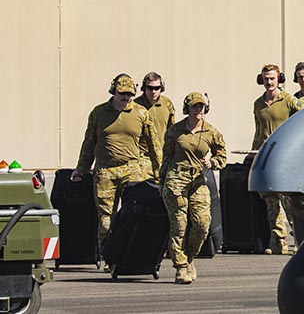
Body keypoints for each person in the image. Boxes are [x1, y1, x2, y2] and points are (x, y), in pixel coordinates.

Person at [70, 73, 162, 261]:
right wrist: (81, 168)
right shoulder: (99, 113)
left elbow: (155, 145)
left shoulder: (141, 113)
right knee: (106, 220)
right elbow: (89, 142)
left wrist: (160, 171)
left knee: (135, 214)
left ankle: (131, 255)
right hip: (106, 172)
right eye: (122, 94)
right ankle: (108, 256)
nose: (126, 98)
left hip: (132, 170)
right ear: (114, 92)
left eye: (129, 94)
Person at [161, 92, 226, 284]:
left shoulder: (211, 132)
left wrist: (212, 162)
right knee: (179, 226)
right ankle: (180, 267)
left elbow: (222, 156)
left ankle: (189, 258)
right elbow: (166, 157)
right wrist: (161, 181)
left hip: (198, 180)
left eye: (201, 106)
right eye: (194, 106)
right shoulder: (175, 131)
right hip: (176, 179)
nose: (199, 110)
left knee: (201, 224)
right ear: (187, 109)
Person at [253, 64, 304, 255]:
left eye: (272, 78)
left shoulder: (289, 100)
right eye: (266, 78)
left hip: (284, 157)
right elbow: (258, 131)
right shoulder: (258, 104)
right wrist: (253, 154)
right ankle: (277, 241)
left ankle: (299, 241)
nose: (269, 82)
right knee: (270, 202)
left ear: (279, 79)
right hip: (265, 156)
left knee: (288, 202)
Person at [134, 71, 175, 182]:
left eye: (157, 88)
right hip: (142, 157)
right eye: (150, 88)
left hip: (163, 156)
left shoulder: (167, 104)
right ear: (144, 88)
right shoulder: (135, 106)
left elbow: (172, 130)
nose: (154, 91)